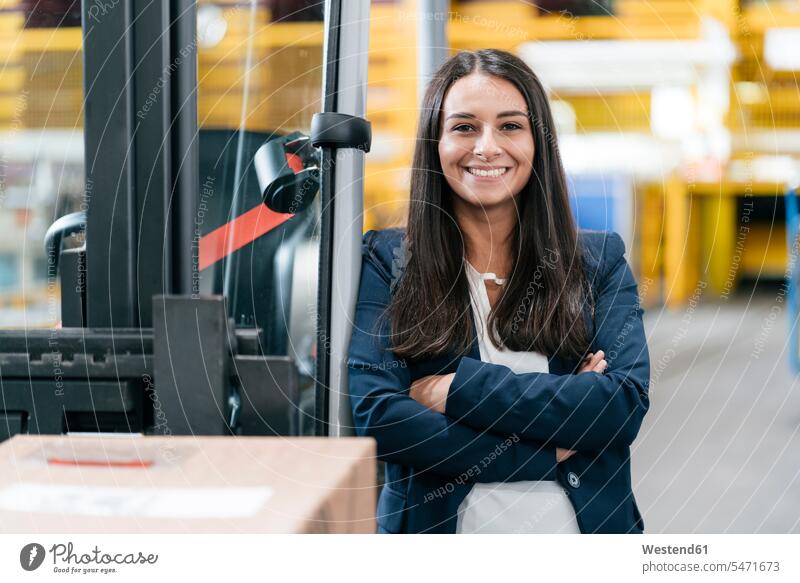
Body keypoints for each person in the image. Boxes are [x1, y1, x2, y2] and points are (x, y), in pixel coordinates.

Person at [347, 49, 650, 534]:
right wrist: (550, 446)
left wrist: (457, 389)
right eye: (464, 127)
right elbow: (379, 417)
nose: (487, 147)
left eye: (510, 126)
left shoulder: (597, 262)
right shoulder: (388, 259)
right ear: (435, 142)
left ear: (538, 141)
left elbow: (620, 407)